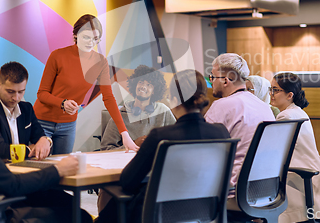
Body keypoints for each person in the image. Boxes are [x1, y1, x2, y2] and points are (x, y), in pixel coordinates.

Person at [0, 60, 92, 223]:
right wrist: (58, 170)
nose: (16, 97)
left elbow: (38, 135)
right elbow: (11, 185)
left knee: (65, 203)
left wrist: (45, 140)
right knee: (80, 216)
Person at [96, 69, 230, 223]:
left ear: (173, 99)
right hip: (205, 211)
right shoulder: (222, 133)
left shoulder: (160, 137)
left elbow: (128, 180)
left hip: (158, 214)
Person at [34, 14, 137, 154]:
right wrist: (62, 103)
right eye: (86, 37)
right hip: (42, 121)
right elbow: (42, 94)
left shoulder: (100, 62)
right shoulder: (57, 56)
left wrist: (124, 133)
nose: (90, 43)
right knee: (39, 165)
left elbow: (108, 98)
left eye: (95, 39)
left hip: (68, 125)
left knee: (63, 168)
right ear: (75, 35)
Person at [270, 72, 320, 223]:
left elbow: (274, 152)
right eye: (271, 89)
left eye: (276, 90)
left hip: (299, 179)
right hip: (314, 178)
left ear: (289, 95)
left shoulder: (285, 117)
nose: (271, 94)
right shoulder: (299, 113)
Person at [204, 53, 274, 196]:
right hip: (265, 189)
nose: (211, 82)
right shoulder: (264, 107)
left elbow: (200, 148)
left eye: (212, 77)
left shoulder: (222, 106)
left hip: (232, 192)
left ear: (225, 80)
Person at [0, 62, 52, 160]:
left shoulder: (26, 108)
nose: (16, 98)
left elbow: (40, 138)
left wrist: (45, 140)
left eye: (21, 92)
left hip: (22, 168)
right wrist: (29, 149)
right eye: (10, 92)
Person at [100, 65, 175, 151]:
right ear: (135, 85)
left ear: (154, 91)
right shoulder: (119, 115)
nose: (143, 87)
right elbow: (105, 150)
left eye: (149, 85)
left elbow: (177, 138)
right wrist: (133, 145)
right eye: (141, 82)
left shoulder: (163, 111)